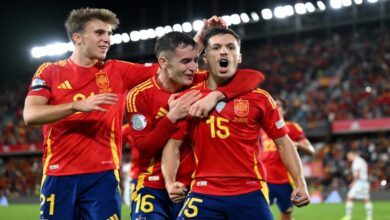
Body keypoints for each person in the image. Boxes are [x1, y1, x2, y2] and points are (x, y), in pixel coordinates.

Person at [162, 27, 310, 219]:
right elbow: (173, 145)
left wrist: (300, 183)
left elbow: (284, 143)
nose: (224, 51)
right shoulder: (188, 98)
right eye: (216, 48)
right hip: (204, 191)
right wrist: (170, 181)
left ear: (239, 57)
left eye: (231, 47)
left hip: (250, 191)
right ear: (205, 57)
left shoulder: (260, 98)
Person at [126, 30, 265, 219]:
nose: (193, 68)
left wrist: (217, 95)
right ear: (164, 63)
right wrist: (171, 118)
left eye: (195, 61)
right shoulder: (139, 95)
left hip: (194, 187)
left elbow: (252, 77)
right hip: (154, 185)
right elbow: (144, 149)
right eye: (185, 62)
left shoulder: (196, 81)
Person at [259, 98, 315, 220]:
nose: (273, 106)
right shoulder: (261, 128)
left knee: (286, 214)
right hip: (264, 180)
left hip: (286, 182)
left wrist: (298, 145)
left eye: (277, 105)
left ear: (284, 111)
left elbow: (311, 150)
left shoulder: (293, 128)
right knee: (258, 214)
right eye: (272, 104)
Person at [341, 150, 373, 220]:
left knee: (349, 198)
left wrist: (353, 183)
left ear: (352, 155)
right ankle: (369, 217)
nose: (348, 159)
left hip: (359, 182)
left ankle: (348, 216)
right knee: (366, 200)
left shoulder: (356, 161)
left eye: (348, 157)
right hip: (365, 182)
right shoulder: (362, 160)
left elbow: (357, 173)